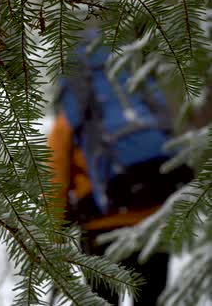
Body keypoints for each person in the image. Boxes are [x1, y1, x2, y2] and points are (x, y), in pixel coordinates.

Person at [47, 30, 194, 306]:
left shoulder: (73, 113)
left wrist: (53, 232)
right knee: (151, 299)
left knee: (103, 301)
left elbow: (55, 176)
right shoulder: (138, 94)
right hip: (153, 217)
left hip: (103, 224)